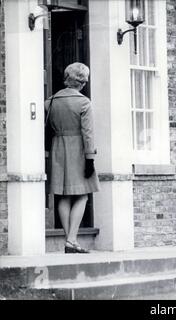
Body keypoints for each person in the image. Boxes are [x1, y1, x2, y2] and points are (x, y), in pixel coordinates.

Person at [45, 62, 100, 254]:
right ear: (83, 82)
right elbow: (88, 133)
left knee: (64, 195)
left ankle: (70, 241)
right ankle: (72, 239)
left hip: (58, 148)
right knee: (83, 195)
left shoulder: (51, 101)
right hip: (78, 149)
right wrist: (90, 158)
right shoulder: (84, 102)